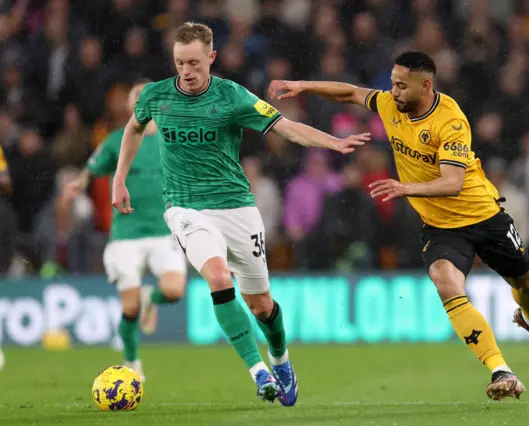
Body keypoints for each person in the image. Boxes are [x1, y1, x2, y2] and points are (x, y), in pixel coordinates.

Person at [269, 51, 529, 401]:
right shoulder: (391, 104)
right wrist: (303, 86)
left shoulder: (450, 121)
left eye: (401, 86)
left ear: (425, 85)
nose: (393, 92)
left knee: (528, 286)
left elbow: (453, 182)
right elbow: (349, 93)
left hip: (483, 215)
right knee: (445, 280)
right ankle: (501, 369)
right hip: (440, 225)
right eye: (392, 83)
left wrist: (405, 188)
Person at [111, 22, 369, 406]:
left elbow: (285, 127)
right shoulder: (156, 95)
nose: (187, 71)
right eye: (180, 62)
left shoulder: (232, 96)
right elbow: (134, 129)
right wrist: (119, 179)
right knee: (217, 277)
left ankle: (280, 358)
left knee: (262, 306)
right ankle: (258, 371)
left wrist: (333, 142)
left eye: (195, 62)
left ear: (211, 58)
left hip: (236, 207)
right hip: (184, 207)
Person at [72, 80, 188, 382]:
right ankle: (132, 360)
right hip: (126, 234)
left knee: (174, 290)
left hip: (165, 232)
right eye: (138, 98)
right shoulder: (115, 141)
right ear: (130, 106)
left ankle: (153, 299)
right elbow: (92, 168)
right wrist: (79, 183)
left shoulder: (172, 139)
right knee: (130, 308)